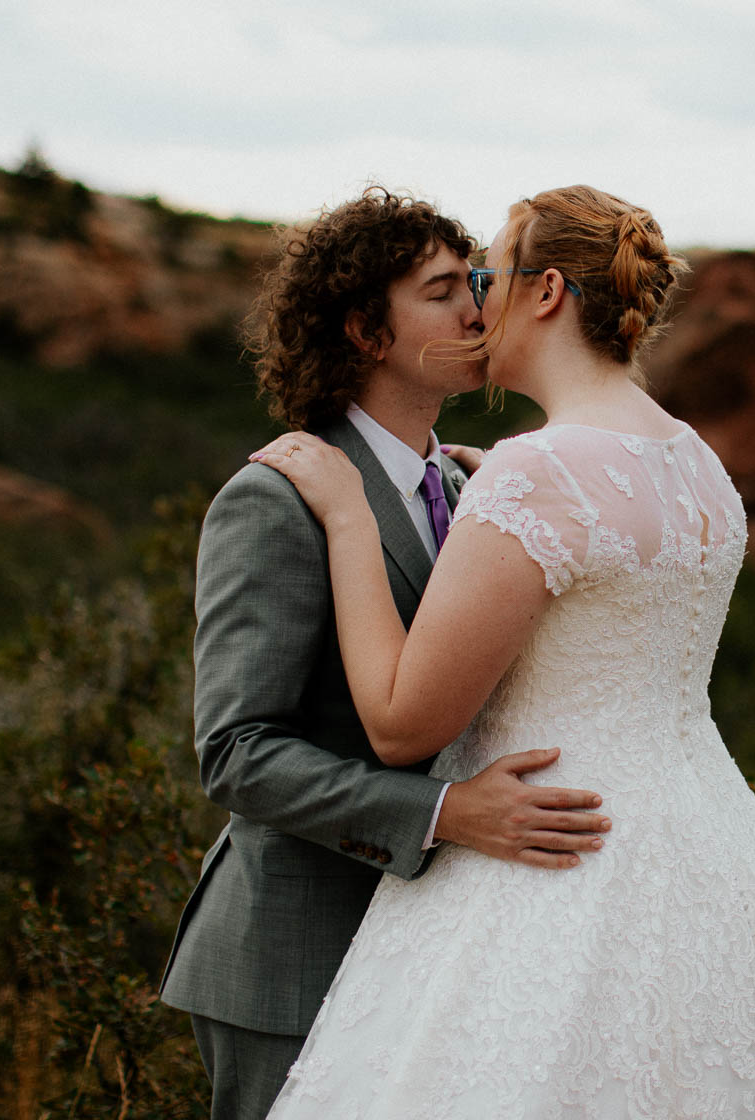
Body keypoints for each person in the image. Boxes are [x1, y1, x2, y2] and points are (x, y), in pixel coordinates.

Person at [250, 185, 755, 1117]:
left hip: (546, 852)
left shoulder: (538, 470)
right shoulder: (694, 461)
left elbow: (398, 725)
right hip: (700, 853)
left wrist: (350, 515)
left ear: (546, 291)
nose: (476, 302)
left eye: (486, 275)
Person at [157, 187, 614, 1120]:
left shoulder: (465, 482)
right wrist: (444, 812)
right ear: (368, 331)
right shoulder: (276, 498)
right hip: (291, 960)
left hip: (436, 951)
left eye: (475, 283)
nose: (478, 310)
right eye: (444, 291)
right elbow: (238, 752)